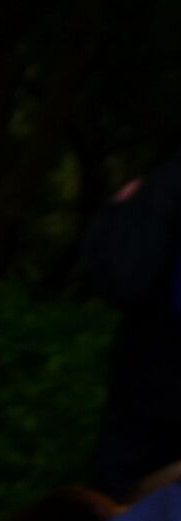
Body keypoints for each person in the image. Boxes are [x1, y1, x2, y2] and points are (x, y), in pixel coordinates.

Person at [80, 146, 181, 500]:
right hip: (154, 397)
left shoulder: (168, 179)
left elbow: (121, 279)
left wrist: (118, 214)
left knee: (119, 518)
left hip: (152, 402)